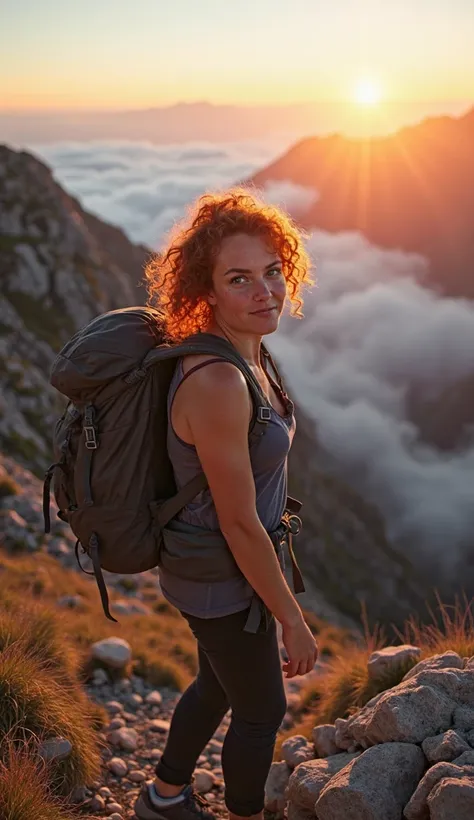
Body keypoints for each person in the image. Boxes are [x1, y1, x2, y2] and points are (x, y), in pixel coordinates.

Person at [134, 188, 318, 820]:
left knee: (216, 686)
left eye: (272, 272)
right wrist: (291, 617)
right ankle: (241, 812)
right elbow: (238, 522)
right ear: (206, 291)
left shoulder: (248, 352)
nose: (265, 291)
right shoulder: (217, 382)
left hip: (220, 571)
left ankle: (163, 796)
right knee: (263, 709)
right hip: (221, 580)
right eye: (240, 279)